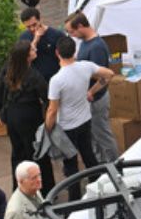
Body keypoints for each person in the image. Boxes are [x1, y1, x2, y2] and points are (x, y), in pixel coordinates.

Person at [44, 37, 116, 189]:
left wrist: (47, 129)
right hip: (85, 120)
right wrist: (92, 91)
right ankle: (97, 189)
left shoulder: (56, 80)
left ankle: (75, 197)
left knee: (71, 165)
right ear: (74, 51)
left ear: (57, 53)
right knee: (88, 155)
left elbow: (52, 110)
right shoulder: (86, 66)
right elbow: (109, 74)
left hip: (67, 127)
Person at [0, 42, 50, 193]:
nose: (35, 49)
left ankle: (19, 188)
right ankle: (42, 189)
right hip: (30, 117)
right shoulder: (34, 76)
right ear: (27, 56)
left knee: (17, 153)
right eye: (32, 49)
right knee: (36, 152)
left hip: (13, 116)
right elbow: (47, 96)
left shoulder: (9, 69)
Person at [65, 13, 120, 166]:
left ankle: (116, 166)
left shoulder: (97, 47)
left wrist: (91, 92)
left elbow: (104, 77)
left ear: (80, 26)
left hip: (96, 99)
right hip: (89, 99)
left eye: (72, 31)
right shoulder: (85, 42)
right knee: (93, 136)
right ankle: (101, 165)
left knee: (102, 135)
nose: (72, 35)